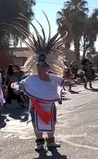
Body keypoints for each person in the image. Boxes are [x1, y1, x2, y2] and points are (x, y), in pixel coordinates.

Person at [11, 13, 67, 151]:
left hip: (50, 105)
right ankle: (39, 143)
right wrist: (18, 88)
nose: (40, 69)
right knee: (37, 124)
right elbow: (19, 85)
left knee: (52, 122)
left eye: (42, 66)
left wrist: (68, 83)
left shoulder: (54, 78)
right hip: (36, 106)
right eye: (38, 66)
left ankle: (51, 141)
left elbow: (63, 82)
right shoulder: (31, 79)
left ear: (47, 67)